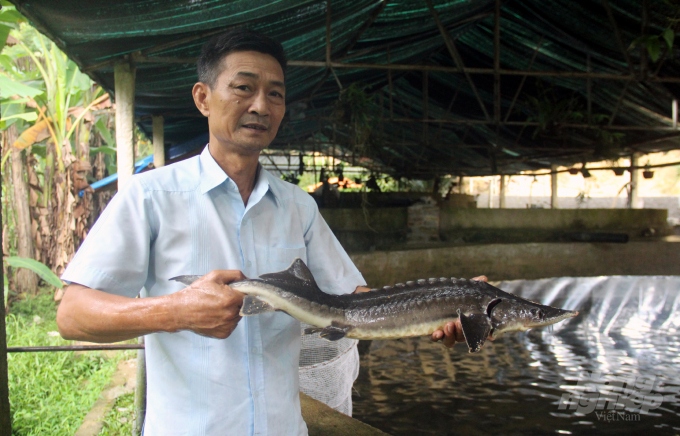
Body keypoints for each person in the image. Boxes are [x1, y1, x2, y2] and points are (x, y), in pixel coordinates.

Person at [56, 28, 474, 435]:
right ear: (203, 98)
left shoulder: (298, 206)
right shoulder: (151, 196)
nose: (261, 105)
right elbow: (72, 314)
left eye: (275, 93)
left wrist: (446, 302)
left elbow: (354, 303)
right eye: (243, 88)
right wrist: (175, 311)